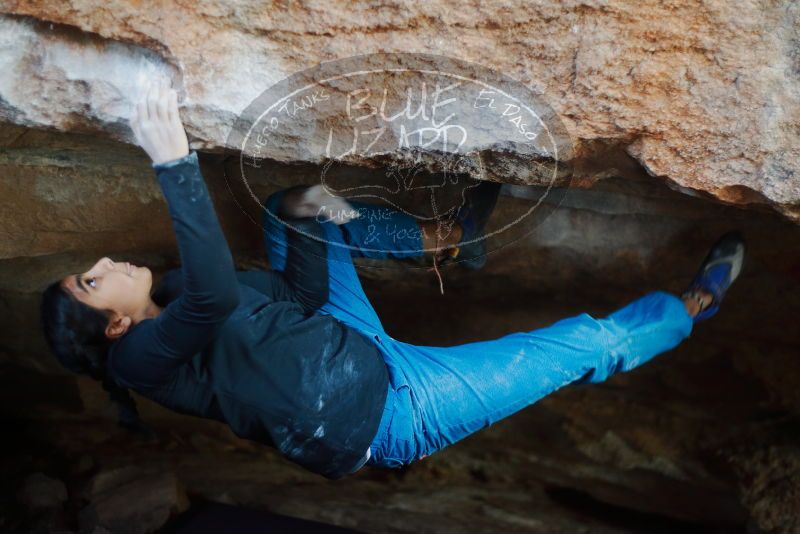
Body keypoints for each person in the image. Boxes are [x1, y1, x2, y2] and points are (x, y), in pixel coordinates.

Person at [40, 79, 746, 479]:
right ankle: (691, 308)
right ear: (115, 327)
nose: (104, 265)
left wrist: (312, 221)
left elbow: (297, 299)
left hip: (344, 338)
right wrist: (172, 161)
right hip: (393, 414)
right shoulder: (139, 362)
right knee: (580, 345)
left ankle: (448, 238)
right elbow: (214, 294)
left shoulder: (175, 300)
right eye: (93, 283)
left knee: (300, 207)